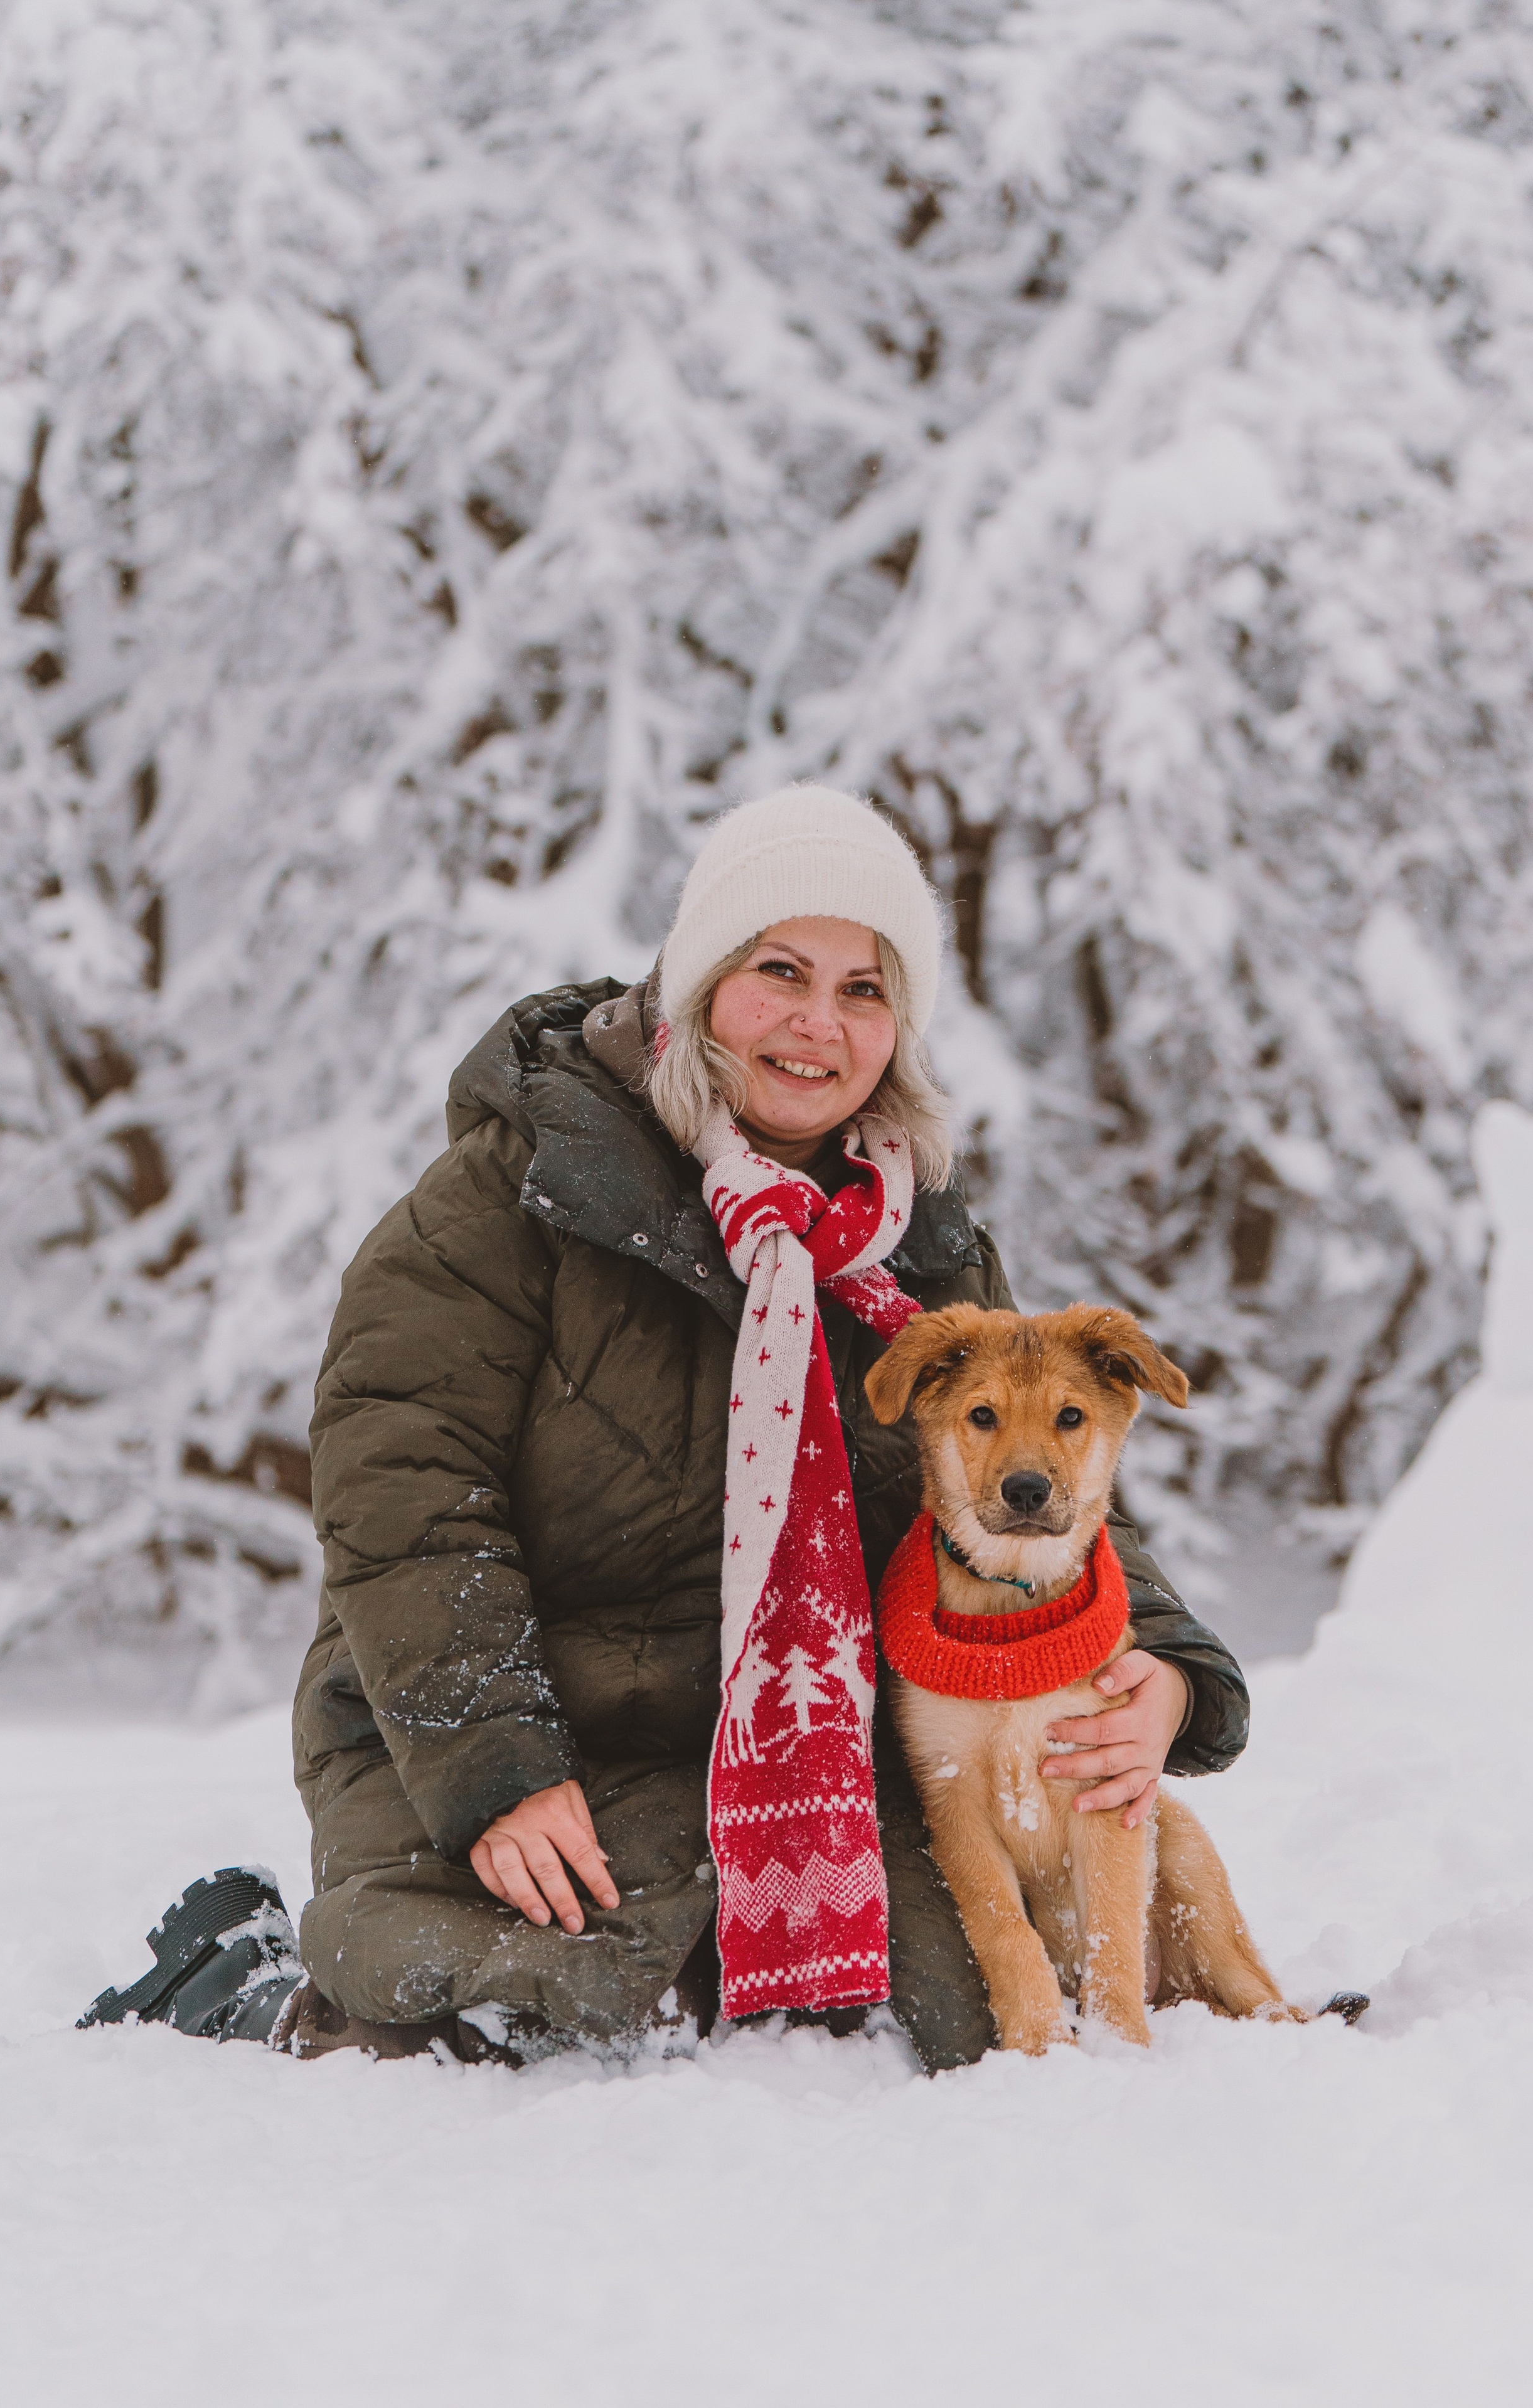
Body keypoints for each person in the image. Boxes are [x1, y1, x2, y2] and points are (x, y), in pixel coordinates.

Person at [81, 787, 1247, 2071]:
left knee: (944, 2022)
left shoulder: (910, 1232)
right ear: (697, 984)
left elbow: (1028, 1477)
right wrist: (494, 1764)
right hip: (519, 1721)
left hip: (792, 1743)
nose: (818, 1022)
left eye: (863, 988)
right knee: (536, 2018)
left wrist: (1167, 1670)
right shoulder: (514, 1188)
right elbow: (404, 1489)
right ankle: (245, 1976)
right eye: (779, 971)